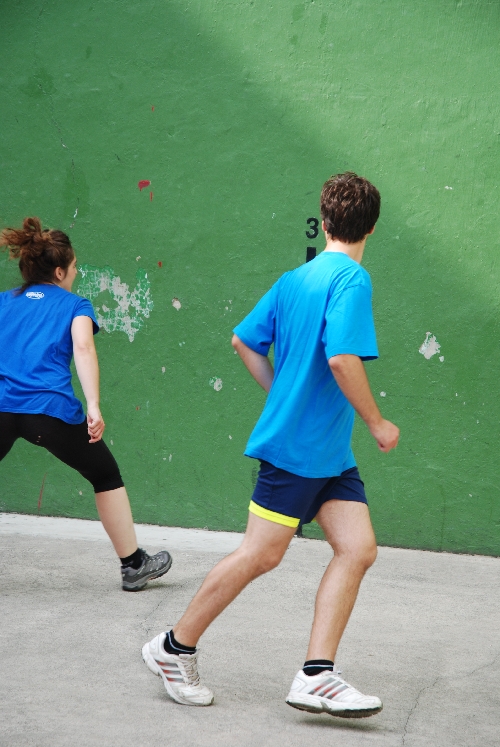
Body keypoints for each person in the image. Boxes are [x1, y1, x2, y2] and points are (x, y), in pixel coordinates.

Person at [142, 172, 399, 716]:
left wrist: (281, 391)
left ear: (324, 222)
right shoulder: (352, 280)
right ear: (372, 227)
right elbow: (341, 358)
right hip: (299, 450)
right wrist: (377, 422)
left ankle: (316, 675)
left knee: (357, 549)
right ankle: (173, 648)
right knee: (261, 554)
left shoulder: (294, 279)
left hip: (330, 455)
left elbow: (243, 340)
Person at [0, 217, 172, 592]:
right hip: (49, 409)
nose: (76, 273)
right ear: (60, 271)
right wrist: (93, 404)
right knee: (105, 475)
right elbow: (83, 347)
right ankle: (134, 566)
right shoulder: (75, 304)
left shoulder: (3, 303)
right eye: (75, 266)